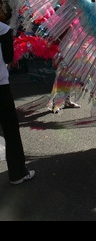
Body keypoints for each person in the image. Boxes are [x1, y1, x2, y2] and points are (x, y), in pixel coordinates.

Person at [0, 20, 35, 184]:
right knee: (10, 129)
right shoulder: (3, 29)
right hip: (0, 86)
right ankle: (17, 173)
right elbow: (8, 57)